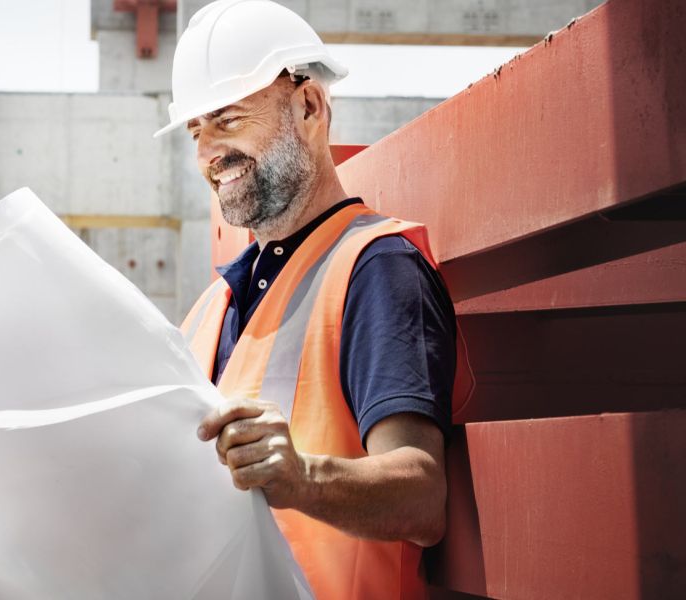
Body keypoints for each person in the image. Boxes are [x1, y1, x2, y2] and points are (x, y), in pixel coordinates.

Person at [154, 2, 472, 598]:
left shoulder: (377, 269)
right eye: (196, 132)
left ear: (308, 106)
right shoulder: (210, 308)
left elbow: (423, 496)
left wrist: (303, 476)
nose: (207, 155)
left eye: (226, 119)